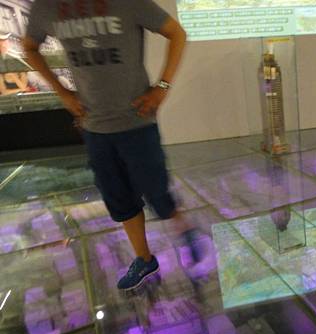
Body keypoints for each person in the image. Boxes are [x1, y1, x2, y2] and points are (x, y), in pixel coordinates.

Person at [23, 0, 201, 290]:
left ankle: (183, 227)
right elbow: (30, 46)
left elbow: (176, 33)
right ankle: (144, 259)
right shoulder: (48, 6)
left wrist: (162, 87)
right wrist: (62, 92)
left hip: (137, 120)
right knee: (117, 197)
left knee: (156, 191)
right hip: (94, 125)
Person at [0, 31, 31, 95]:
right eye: (1, 41)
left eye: (5, 41)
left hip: (24, 97)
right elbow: (4, 92)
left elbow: (24, 86)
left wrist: (13, 75)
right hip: (9, 99)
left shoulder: (18, 60)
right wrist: (20, 89)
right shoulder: (2, 69)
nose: (3, 44)